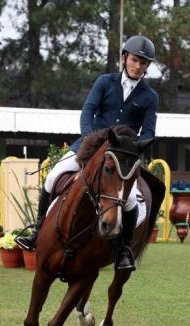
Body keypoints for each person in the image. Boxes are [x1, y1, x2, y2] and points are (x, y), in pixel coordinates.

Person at [16, 35, 159, 273]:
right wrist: (90, 138)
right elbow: (88, 111)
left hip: (121, 157)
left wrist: (132, 148)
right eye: (135, 60)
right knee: (53, 177)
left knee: (132, 200)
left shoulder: (150, 97)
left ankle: (123, 249)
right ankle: (37, 231)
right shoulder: (104, 82)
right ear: (125, 58)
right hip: (90, 147)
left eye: (143, 63)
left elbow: (150, 132)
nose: (138, 66)